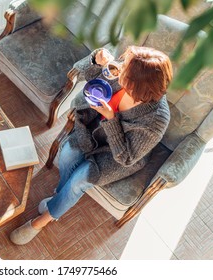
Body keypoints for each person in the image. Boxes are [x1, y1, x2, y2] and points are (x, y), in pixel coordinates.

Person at [9, 45, 173, 245]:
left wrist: (111, 119)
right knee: (67, 154)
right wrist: (96, 59)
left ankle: (41, 221)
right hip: (90, 131)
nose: (119, 69)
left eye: (125, 71)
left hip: (116, 156)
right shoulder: (121, 72)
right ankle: (59, 198)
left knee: (79, 181)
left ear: (135, 85)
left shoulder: (156, 119)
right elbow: (87, 74)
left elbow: (127, 157)